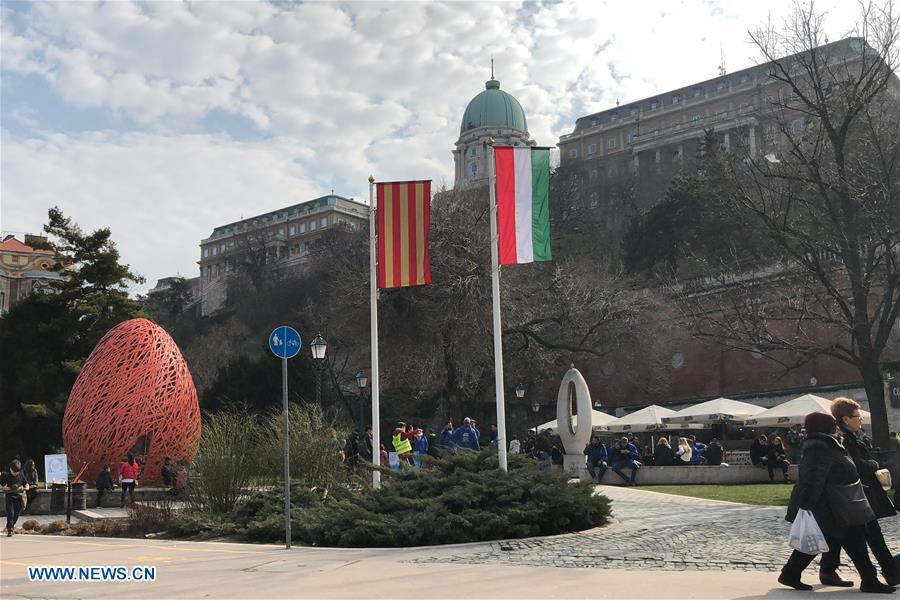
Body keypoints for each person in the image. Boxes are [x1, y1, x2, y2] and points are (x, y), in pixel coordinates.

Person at [779, 412, 894, 593]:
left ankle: (790, 573)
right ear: (825, 427)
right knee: (853, 539)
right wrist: (807, 506)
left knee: (836, 538)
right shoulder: (819, 446)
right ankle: (869, 580)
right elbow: (812, 478)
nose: (836, 426)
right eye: (832, 423)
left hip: (837, 503)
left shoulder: (827, 443)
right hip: (829, 505)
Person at [819, 398, 899, 586]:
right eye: (857, 416)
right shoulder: (846, 440)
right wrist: (873, 464)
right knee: (871, 534)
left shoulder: (850, 437)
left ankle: (827, 570)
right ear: (846, 419)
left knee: (843, 535)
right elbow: (856, 466)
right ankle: (888, 572)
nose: (860, 420)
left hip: (857, 493)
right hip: (857, 494)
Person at [1, 459, 29, 536]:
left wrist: (26, 488)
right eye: (14, 472)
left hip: (19, 497)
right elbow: (0, 485)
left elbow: (26, 483)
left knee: (16, 514)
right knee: (10, 513)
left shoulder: (21, 475)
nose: (15, 473)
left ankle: (10, 526)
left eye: (17, 472)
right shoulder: (6, 476)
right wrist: (4, 488)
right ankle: (10, 530)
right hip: (9, 496)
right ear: (10, 469)